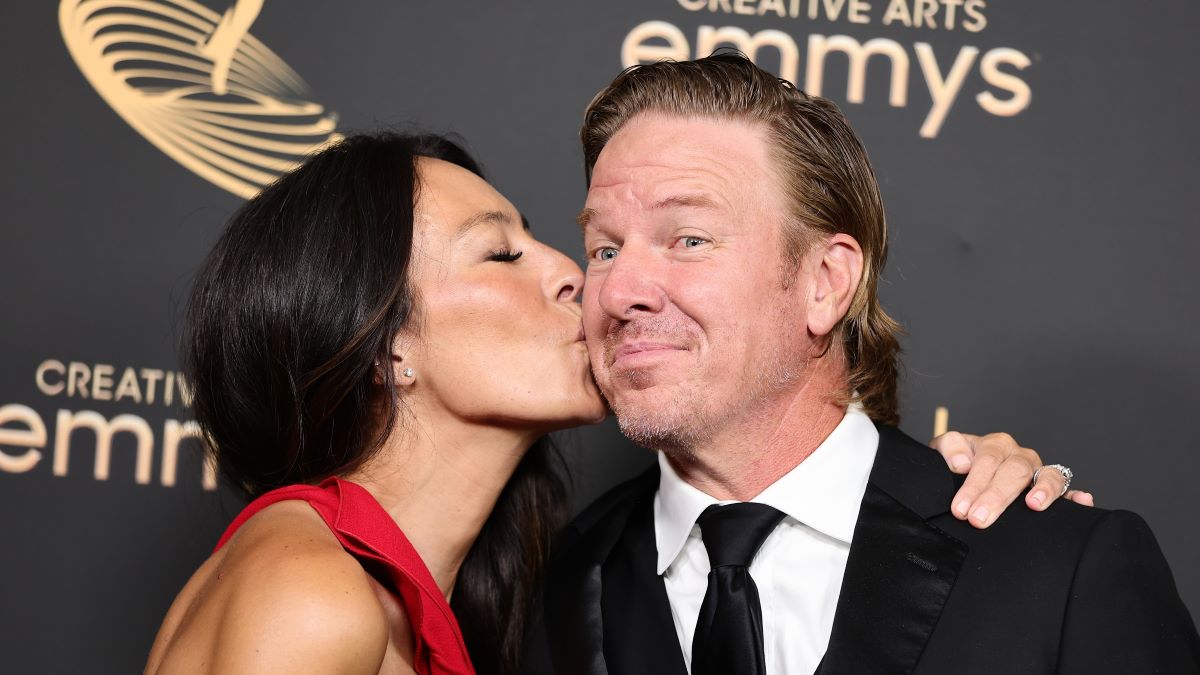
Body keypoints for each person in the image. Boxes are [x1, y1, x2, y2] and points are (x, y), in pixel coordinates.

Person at [145, 132, 1079, 675]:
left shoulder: (475, 596)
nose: (574, 277)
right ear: (386, 346)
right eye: (500, 253)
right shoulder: (310, 593)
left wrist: (931, 484)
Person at [522, 53, 1200, 674]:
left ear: (825, 281)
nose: (617, 291)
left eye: (689, 238)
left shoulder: (1057, 566)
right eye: (605, 248)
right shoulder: (555, 586)